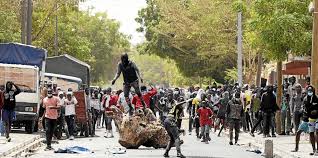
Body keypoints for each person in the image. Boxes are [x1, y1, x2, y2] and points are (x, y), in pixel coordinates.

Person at [304, 86, 318, 155]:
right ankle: (314, 149)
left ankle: (317, 150)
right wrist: (312, 106)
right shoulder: (306, 99)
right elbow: (306, 109)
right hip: (311, 118)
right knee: (311, 133)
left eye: (311, 90)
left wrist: (316, 110)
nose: (310, 92)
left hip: (317, 118)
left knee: (317, 132)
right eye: (309, 90)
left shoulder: (317, 98)